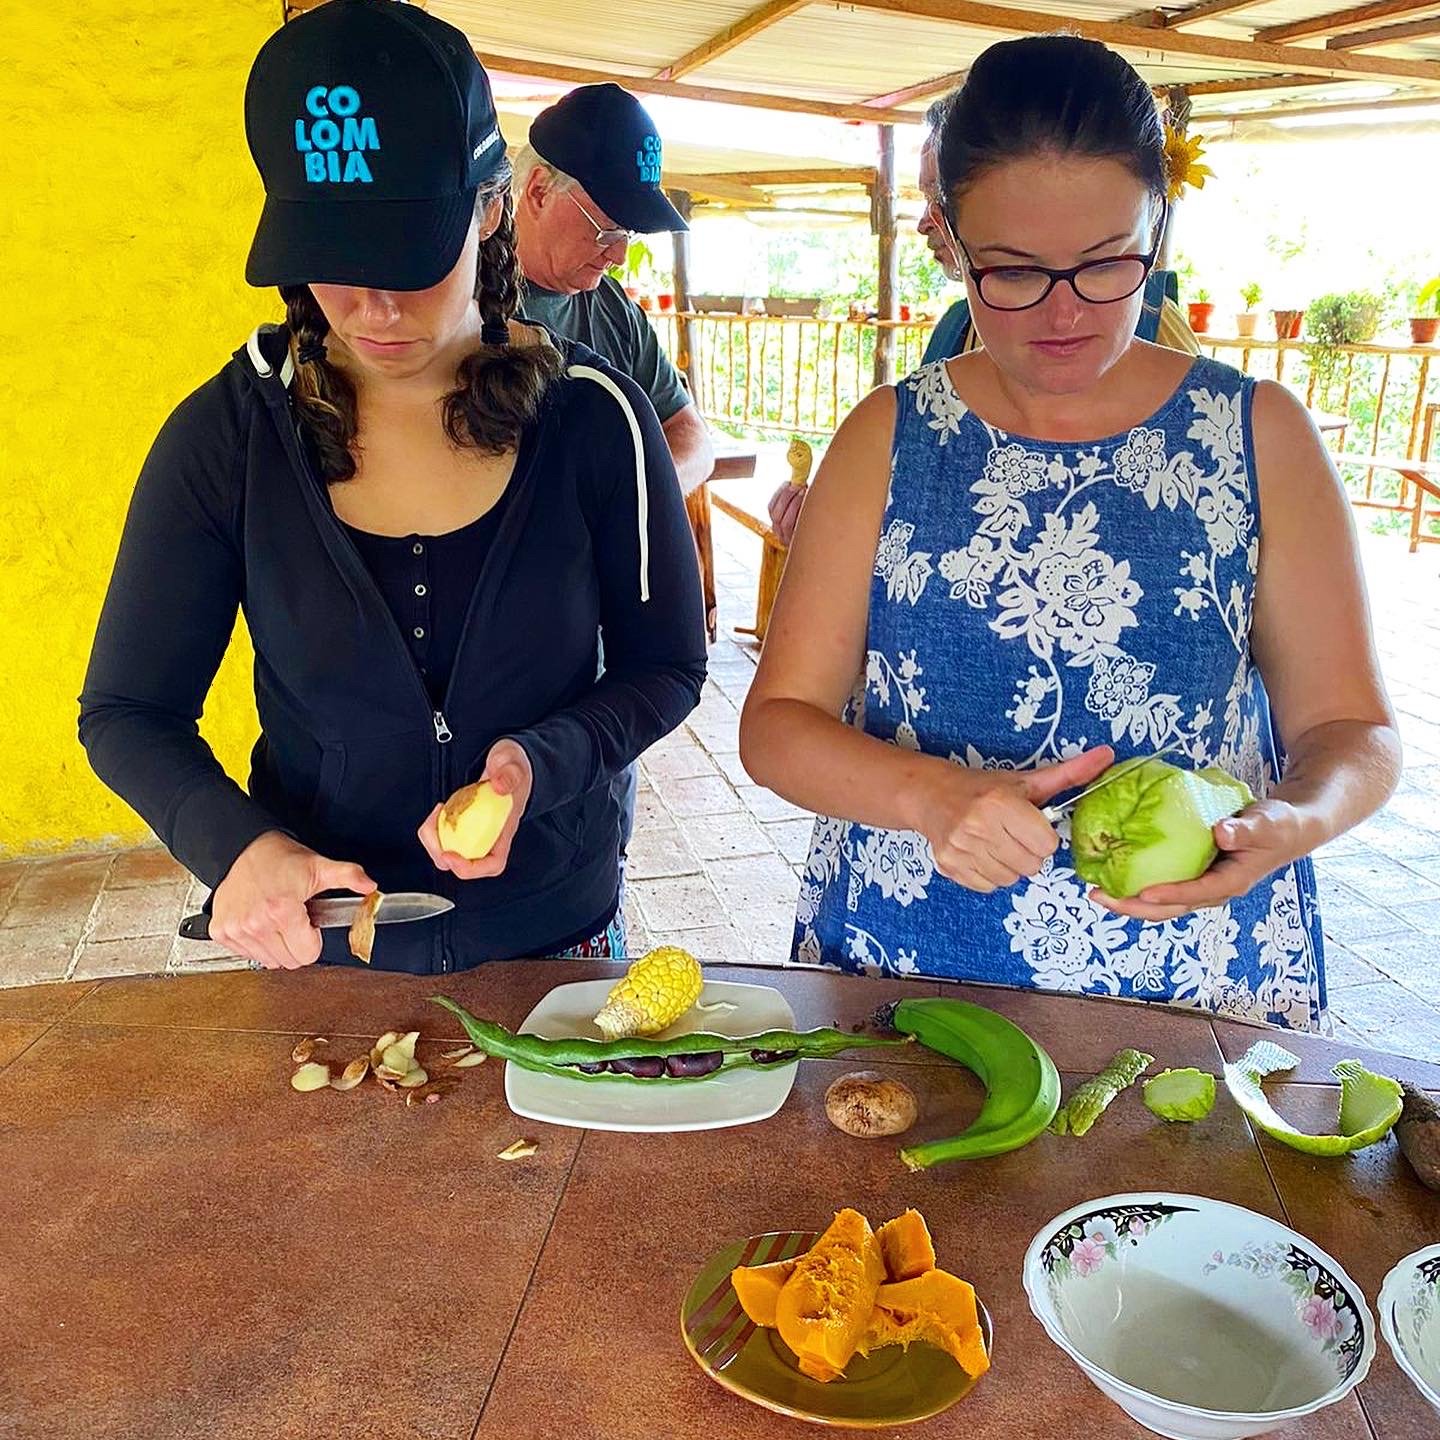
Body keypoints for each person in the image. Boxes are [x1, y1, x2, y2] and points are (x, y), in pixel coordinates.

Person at [739, 34, 1400, 1031]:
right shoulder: (888, 436)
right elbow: (777, 722)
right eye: (1012, 271)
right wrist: (931, 798)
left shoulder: (1258, 435)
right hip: (913, 959)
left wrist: (1297, 818)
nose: (1062, 313)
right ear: (951, 239)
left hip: (1193, 974)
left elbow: (1353, 729)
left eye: (1105, 264)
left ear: (1157, 230)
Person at [78, 0, 707, 974]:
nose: (371, 306)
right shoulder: (232, 434)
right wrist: (238, 848)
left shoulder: (596, 419)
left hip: (552, 934)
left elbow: (665, 666)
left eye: (410, 255)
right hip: (330, 949)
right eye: (330, 256)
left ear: (490, 209)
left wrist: (541, 764)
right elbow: (128, 709)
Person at [767, 93, 1202, 546]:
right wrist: (843, 532)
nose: (928, 221)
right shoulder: (952, 333)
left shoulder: (1150, 322)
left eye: (941, 196)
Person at [512, 84, 714, 496]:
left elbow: (691, 436)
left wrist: (633, 501)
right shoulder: (460, 302)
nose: (620, 255)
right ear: (539, 192)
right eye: (607, 229)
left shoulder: (614, 309)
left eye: (628, 234)